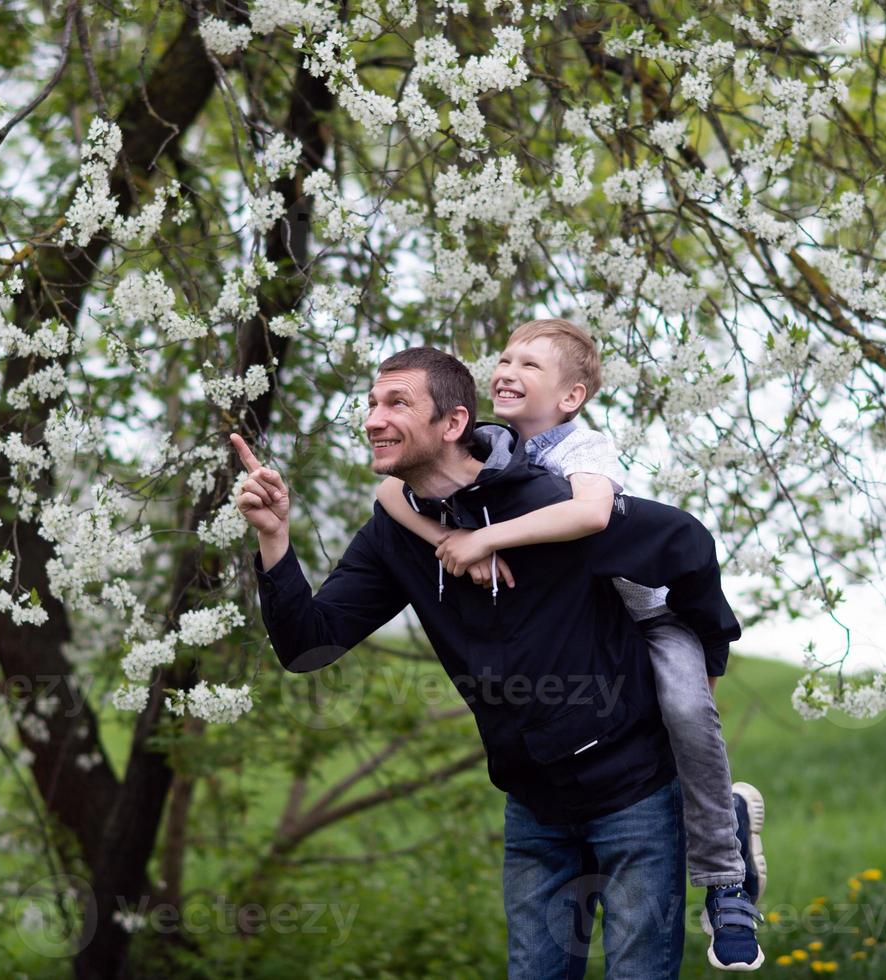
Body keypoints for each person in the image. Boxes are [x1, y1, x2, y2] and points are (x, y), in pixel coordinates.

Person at [232, 346, 744, 978]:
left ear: (453, 424)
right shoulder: (394, 534)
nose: (372, 418)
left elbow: (685, 543)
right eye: (370, 404)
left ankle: (727, 855)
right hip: (531, 805)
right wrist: (274, 537)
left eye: (397, 403)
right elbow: (309, 644)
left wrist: (707, 667)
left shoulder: (551, 505)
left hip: (634, 793)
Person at [374, 319, 767, 971]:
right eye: (502, 356)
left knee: (686, 712)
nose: (506, 369)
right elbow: (390, 491)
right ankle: (713, 815)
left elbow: (587, 515)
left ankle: (724, 878)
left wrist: (485, 541)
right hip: (582, 634)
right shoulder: (485, 450)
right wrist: (445, 541)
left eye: (529, 365)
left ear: (570, 397)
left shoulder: (583, 451)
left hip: (645, 615)